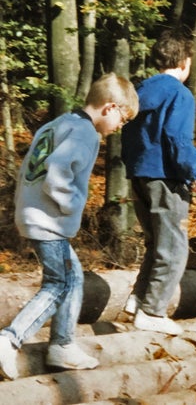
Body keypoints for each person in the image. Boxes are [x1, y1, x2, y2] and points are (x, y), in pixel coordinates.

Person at [0, 73, 139, 380]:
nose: (119, 128)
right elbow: (57, 176)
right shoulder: (85, 133)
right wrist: (72, 205)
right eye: (123, 119)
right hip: (47, 219)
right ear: (109, 108)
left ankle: (62, 345)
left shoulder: (60, 123)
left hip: (36, 214)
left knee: (72, 277)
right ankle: (10, 338)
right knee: (58, 284)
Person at [121, 29, 196, 336]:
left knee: (156, 243)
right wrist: (194, 172)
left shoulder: (140, 91)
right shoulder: (179, 94)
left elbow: (128, 133)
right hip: (167, 178)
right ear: (184, 62)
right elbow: (177, 137)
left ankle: (137, 300)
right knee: (174, 247)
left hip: (139, 175)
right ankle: (152, 311)